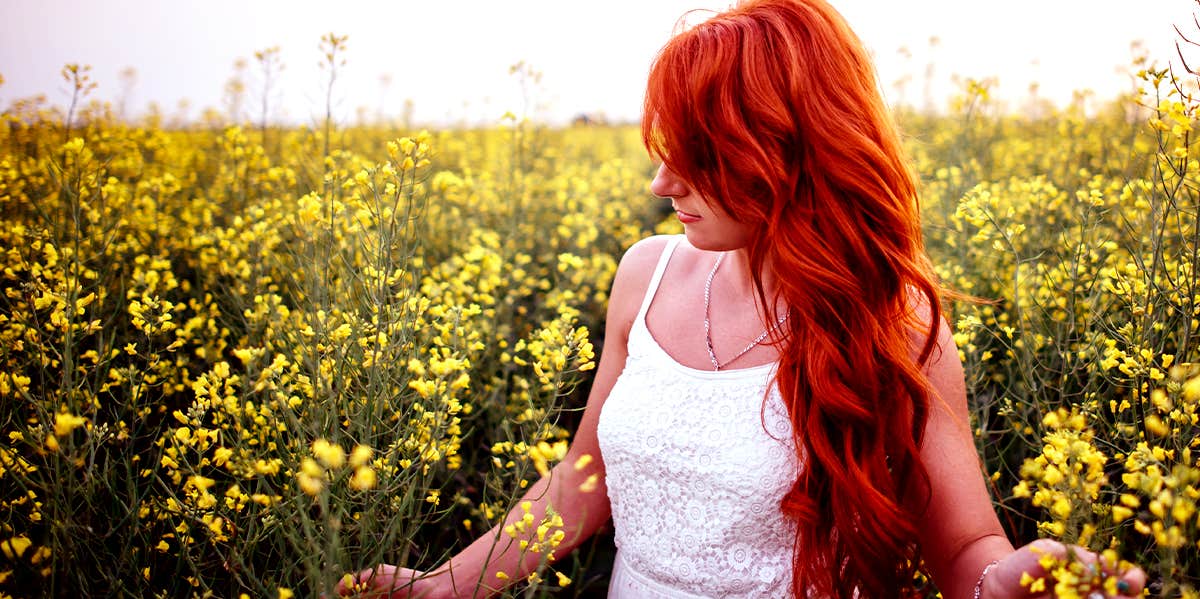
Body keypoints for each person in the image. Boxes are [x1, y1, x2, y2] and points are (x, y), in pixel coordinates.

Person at [339, 0, 1148, 597]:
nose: (661, 185)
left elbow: (966, 546)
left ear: (785, 152)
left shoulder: (894, 323)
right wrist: (441, 585)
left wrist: (1015, 580)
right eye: (662, 151)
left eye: (696, 156)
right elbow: (586, 478)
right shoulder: (645, 274)